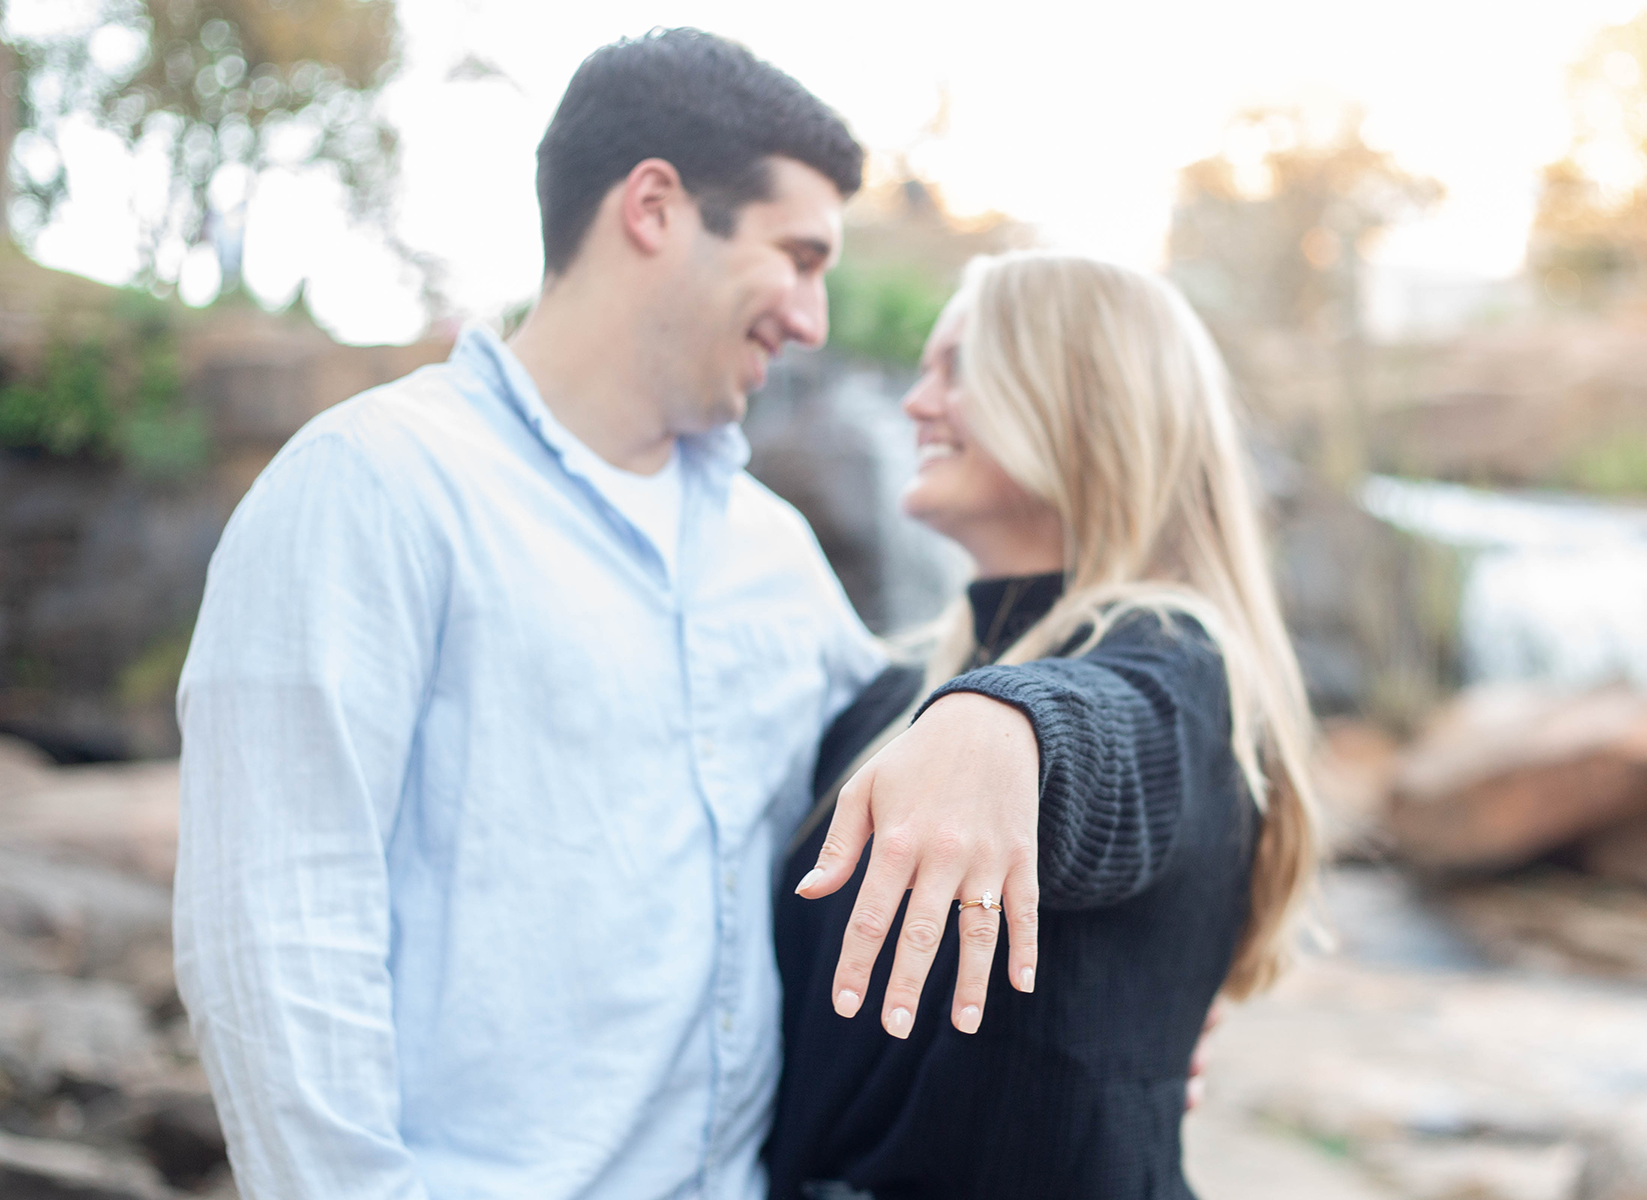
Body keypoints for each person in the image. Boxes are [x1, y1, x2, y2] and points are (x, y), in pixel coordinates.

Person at [174, 30, 1044, 1200]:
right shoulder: (373, 486)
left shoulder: (771, 548)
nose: (814, 318)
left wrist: (1117, 1035)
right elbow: (276, 943)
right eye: (797, 257)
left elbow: (924, 754)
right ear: (654, 208)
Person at [769, 252, 1322, 1199]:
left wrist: (1006, 726)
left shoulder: (1186, 679)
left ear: (1082, 402)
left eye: (959, 369)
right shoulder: (893, 691)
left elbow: (1112, 735)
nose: (916, 401)